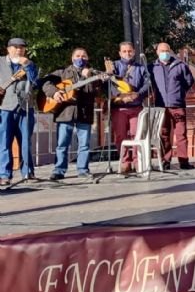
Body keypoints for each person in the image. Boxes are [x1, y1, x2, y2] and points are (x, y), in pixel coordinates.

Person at [43, 48, 105, 180]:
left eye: (84, 56)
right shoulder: (62, 73)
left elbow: (98, 92)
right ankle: (59, 170)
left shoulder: (93, 73)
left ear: (87, 59)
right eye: (78, 56)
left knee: (84, 144)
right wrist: (54, 92)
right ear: (72, 58)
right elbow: (45, 83)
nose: (80, 58)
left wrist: (94, 79)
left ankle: (83, 170)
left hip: (84, 113)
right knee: (62, 144)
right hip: (65, 113)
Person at [150, 42, 195, 170]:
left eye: (167, 50)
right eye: (162, 50)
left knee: (181, 134)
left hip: (178, 105)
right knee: (164, 135)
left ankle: (184, 161)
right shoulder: (152, 67)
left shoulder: (180, 65)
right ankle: (165, 161)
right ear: (157, 52)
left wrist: (179, 94)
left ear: (170, 51)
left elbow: (189, 81)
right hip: (161, 106)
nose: (165, 53)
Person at [0, 38, 39, 186]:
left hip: (25, 107)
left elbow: (35, 82)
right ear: (8, 49)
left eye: (22, 47)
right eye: (15, 47)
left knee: (25, 142)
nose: (19, 50)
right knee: (4, 142)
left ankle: (28, 172)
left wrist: (28, 66)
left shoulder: (29, 64)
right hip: (4, 108)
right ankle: (4, 175)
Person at [108, 41, 149, 174]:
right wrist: (119, 95)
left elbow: (148, 84)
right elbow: (108, 84)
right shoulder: (113, 66)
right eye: (124, 51)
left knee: (136, 135)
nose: (127, 53)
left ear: (134, 52)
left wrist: (138, 94)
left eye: (130, 51)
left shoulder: (141, 68)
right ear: (120, 53)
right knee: (120, 136)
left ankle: (137, 161)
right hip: (119, 108)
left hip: (136, 107)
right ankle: (125, 161)